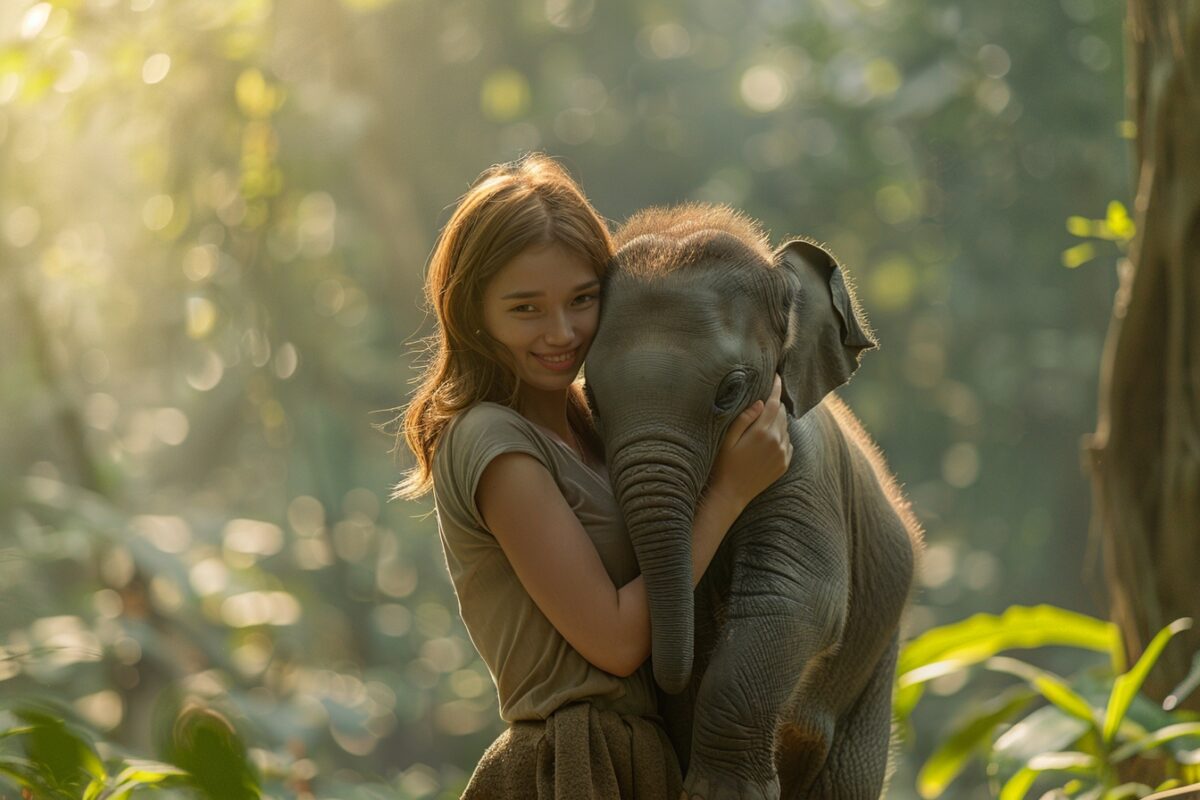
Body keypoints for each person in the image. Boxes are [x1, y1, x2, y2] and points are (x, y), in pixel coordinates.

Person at [393, 153, 791, 799]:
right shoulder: (489, 440)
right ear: (472, 312)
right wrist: (729, 493)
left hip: (648, 759)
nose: (562, 332)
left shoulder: (598, 433)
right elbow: (612, 639)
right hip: (572, 764)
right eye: (526, 309)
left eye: (582, 299)